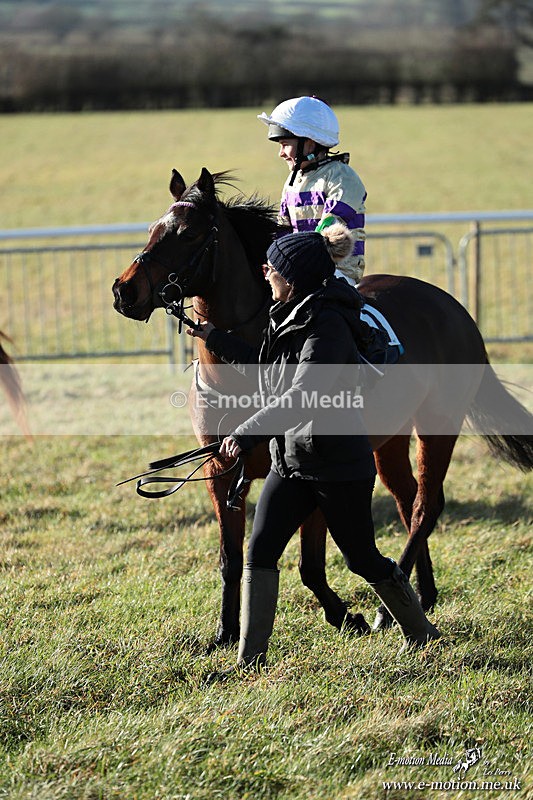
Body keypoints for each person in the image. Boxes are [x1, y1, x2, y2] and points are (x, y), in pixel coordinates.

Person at [187, 223, 440, 672]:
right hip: (292, 464)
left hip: (337, 466)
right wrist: (212, 336)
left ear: (294, 275)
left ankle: (421, 633)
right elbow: (267, 363)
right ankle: (250, 661)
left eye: (273, 267)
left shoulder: (328, 325)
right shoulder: (286, 312)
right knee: (260, 552)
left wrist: (244, 435)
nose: (264, 272)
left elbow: (303, 396)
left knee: (363, 560)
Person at [258, 95, 367, 285]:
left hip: (339, 271)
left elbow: (329, 227)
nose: (281, 153)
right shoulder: (293, 182)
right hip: (301, 268)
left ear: (308, 143)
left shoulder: (342, 177)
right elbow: (283, 230)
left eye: (285, 145)